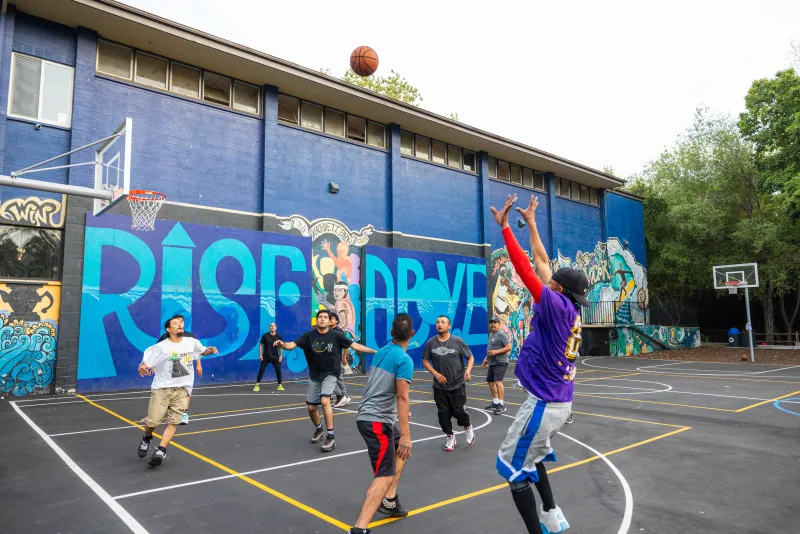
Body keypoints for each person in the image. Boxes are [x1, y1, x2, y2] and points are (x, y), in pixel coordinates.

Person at [490, 194, 589, 534]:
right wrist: (532, 223)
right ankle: (551, 511)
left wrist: (505, 228)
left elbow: (524, 267)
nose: (545, 277)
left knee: (511, 467)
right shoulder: (570, 306)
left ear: (557, 288)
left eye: (551, 280)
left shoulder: (554, 305)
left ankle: (538, 528)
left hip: (544, 404)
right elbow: (542, 259)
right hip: (560, 400)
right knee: (531, 458)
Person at [347, 313, 415, 534]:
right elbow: (402, 396)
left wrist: (400, 420)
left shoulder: (383, 352)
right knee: (384, 475)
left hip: (371, 416)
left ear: (391, 333)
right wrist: (406, 434)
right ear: (412, 334)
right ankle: (359, 529)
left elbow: (383, 388)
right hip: (377, 422)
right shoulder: (404, 360)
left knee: (401, 452)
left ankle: (390, 499)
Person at [275, 309, 376, 452]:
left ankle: (331, 436)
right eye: (320, 317)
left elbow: (354, 345)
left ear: (329, 321)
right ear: (317, 320)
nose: (322, 319)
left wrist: (373, 351)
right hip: (314, 376)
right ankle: (319, 429)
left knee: (324, 401)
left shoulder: (337, 336)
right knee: (311, 408)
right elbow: (291, 345)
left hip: (330, 374)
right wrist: (281, 344)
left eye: (325, 317)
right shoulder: (308, 336)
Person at [137, 316, 218, 467]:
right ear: (169, 330)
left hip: (183, 387)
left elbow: (201, 352)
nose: (180, 324)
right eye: (175, 323)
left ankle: (161, 450)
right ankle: (147, 437)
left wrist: (210, 350)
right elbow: (146, 361)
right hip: (162, 387)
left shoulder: (191, 342)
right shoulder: (161, 347)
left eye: (181, 323)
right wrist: (142, 366)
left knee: (174, 421)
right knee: (153, 421)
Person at [422, 315, 475, 451]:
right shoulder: (431, 343)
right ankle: (450, 436)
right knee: (443, 414)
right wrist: (436, 374)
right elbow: (426, 361)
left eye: (443, 322)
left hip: (457, 384)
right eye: (438, 322)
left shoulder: (457, 341)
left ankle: (467, 427)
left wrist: (468, 371)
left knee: (459, 411)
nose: (440, 324)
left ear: (449, 326)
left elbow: (470, 357)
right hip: (439, 387)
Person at [156, 314, 195, 425]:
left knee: (186, 392)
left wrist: (198, 365)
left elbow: (197, 351)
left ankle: (183, 413)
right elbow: (157, 352)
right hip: (171, 370)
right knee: (170, 392)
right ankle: (170, 411)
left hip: (186, 369)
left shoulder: (190, 336)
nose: (179, 323)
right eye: (177, 322)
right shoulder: (165, 337)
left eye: (181, 321)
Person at [482, 316, 512, 414]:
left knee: (498, 381)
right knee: (490, 381)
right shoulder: (491, 334)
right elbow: (490, 348)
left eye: (495, 322)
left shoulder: (502, 334)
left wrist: (496, 352)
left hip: (501, 361)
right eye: (491, 323)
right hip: (492, 362)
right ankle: (495, 402)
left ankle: (502, 405)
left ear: (499, 324)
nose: (493, 324)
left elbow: (509, 347)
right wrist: (486, 359)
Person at [329, 312, 352, 407]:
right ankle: (344, 396)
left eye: (332, 319)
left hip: (335, 358)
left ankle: (341, 395)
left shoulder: (338, 331)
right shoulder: (328, 330)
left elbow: (346, 345)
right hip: (330, 358)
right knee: (338, 378)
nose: (330, 320)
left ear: (336, 321)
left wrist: (344, 357)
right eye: (329, 318)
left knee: (331, 378)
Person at [255, 322, 283, 392]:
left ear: (276, 328)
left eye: (274, 326)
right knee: (261, 370)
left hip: (275, 357)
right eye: (271, 326)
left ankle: (279, 385)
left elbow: (281, 346)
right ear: (269, 328)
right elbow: (261, 345)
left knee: (278, 371)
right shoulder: (265, 336)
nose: (272, 327)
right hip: (266, 357)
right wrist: (260, 354)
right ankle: (257, 385)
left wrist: (281, 355)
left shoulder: (279, 336)